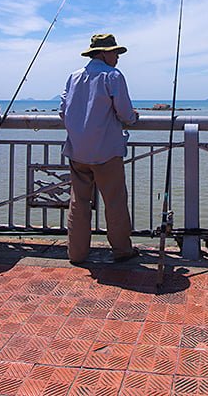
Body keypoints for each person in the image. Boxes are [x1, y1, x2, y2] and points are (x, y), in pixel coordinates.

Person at [60, 34, 139, 264]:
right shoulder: (113, 76)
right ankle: (122, 250)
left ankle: (76, 253)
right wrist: (133, 117)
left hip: (77, 151)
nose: (117, 57)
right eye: (115, 53)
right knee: (114, 202)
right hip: (106, 151)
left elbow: (63, 111)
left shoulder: (73, 77)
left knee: (78, 203)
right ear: (104, 53)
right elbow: (125, 114)